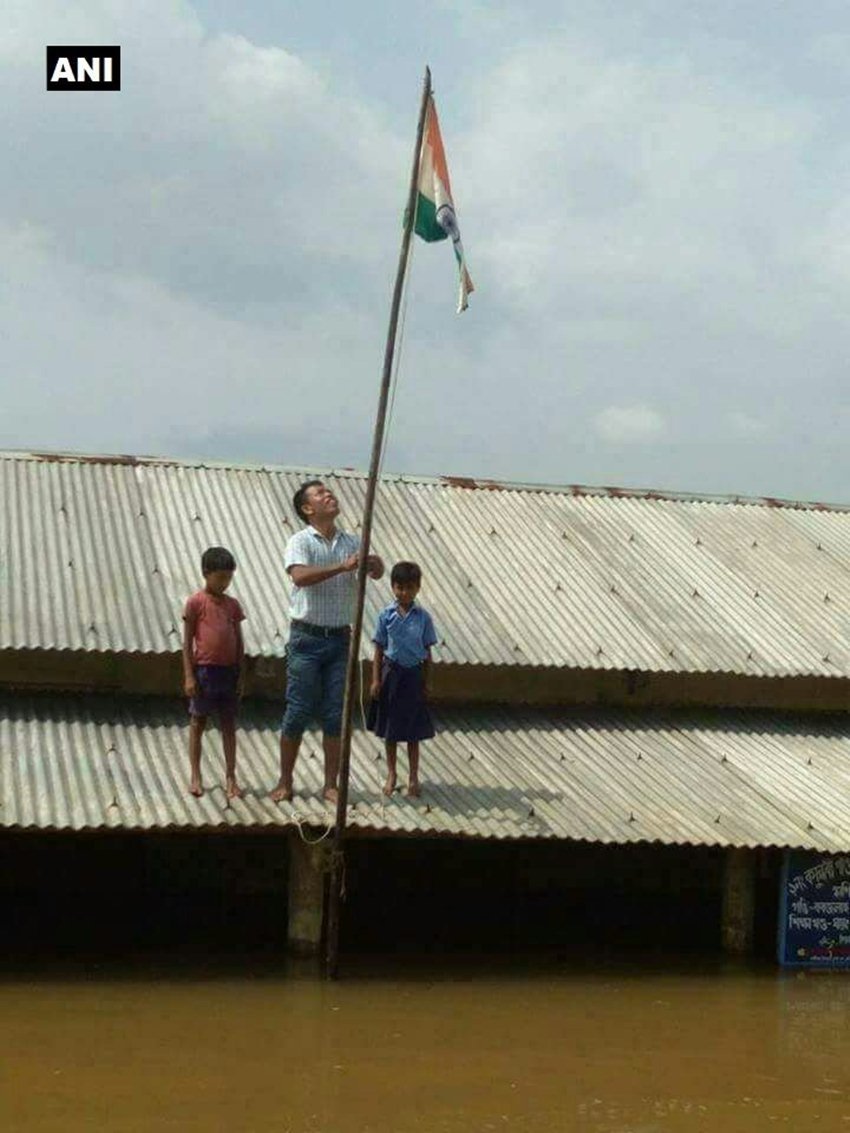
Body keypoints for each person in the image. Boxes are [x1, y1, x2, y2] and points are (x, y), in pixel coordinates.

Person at [271, 480, 384, 803]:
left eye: (328, 491)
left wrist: (374, 565)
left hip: (339, 639)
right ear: (308, 509)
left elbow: (374, 573)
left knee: (336, 713)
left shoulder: (351, 541)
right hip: (306, 638)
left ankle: (330, 784)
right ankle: (285, 780)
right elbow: (300, 577)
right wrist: (341, 566)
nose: (329, 495)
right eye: (320, 494)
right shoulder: (300, 541)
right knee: (298, 710)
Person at [368, 561, 437, 798]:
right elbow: (378, 649)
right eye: (399, 587)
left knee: (413, 732)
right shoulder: (385, 616)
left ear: (417, 588)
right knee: (390, 730)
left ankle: (414, 777)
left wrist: (427, 682)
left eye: (409, 587)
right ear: (392, 587)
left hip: (413, 676)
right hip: (391, 675)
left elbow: (428, 653)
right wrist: (375, 680)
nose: (404, 592)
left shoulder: (423, 618)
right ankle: (392, 774)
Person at [182, 546, 245, 799]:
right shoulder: (196, 602)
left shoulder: (232, 605)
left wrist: (241, 675)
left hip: (229, 672)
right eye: (220, 578)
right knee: (198, 722)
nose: (224, 583)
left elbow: (239, 643)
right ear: (206, 574)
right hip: (204, 671)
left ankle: (231, 777)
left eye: (228, 578)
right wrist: (189, 676)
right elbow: (187, 644)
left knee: (229, 724)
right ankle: (196, 776)